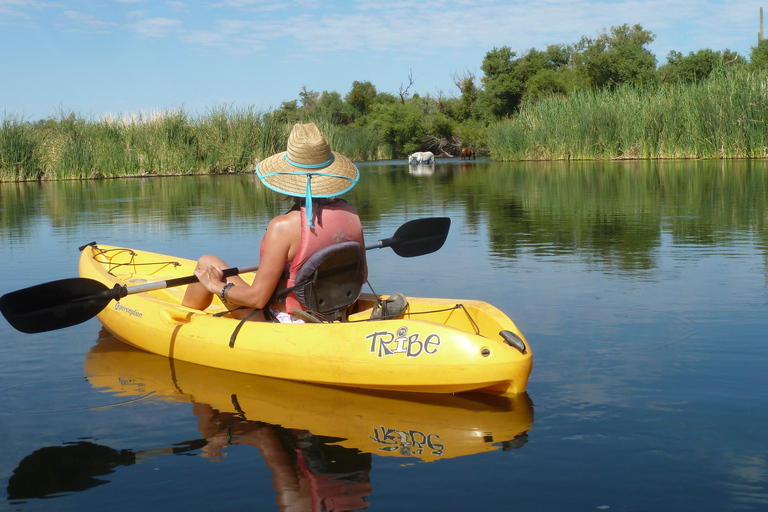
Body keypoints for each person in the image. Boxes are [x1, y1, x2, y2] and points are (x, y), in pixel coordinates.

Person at [182, 122, 365, 323]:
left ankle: (184, 322)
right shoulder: (351, 215)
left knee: (206, 263)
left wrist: (216, 286)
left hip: (286, 321)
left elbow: (258, 299)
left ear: (288, 176)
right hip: (338, 313)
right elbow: (362, 276)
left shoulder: (283, 227)